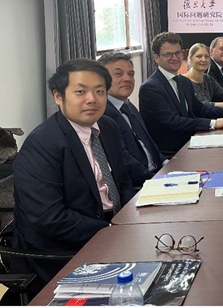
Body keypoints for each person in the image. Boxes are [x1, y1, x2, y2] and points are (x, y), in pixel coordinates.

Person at [12, 59, 135, 295]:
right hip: (62, 252)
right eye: (80, 92)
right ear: (58, 96)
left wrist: (131, 219)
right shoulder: (42, 144)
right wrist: (110, 230)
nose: (92, 99)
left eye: (99, 91)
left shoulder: (107, 127)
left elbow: (123, 181)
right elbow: (49, 219)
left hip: (113, 230)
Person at [139, 32, 223, 157]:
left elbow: (199, 108)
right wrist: (214, 123)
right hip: (172, 153)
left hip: (192, 142)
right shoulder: (151, 88)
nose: (175, 58)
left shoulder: (184, 81)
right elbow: (174, 121)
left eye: (178, 53)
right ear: (156, 58)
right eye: (168, 54)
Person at [98, 51, 167, 188]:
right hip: (138, 185)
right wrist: (156, 180)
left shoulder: (128, 106)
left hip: (157, 173)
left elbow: (149, 142)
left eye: (131, 74)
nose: (127, 79)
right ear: (101, 79)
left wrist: (167, 164)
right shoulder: (102, 115)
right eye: (118, 74)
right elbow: (123, 159)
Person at [184, 43, 223, 108]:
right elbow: (200, 105)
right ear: (190, 59)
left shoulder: (208, 79)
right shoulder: (183, 81)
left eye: (206, 56)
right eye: (199, 56)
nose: (203, 59)